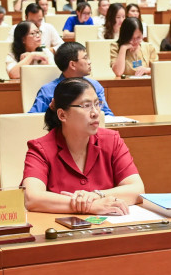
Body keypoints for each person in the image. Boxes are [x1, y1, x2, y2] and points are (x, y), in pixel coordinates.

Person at [21, 78, 144, 214]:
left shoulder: (112, 140)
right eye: (86, 106)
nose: (95, 113)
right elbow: (32, 198)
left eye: (97, 104)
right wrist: (90, 206)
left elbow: (137, 189)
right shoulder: (40, 149)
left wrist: (96, 195)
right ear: (62, 115)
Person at [29, 42, 113, 116]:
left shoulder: (95, 86)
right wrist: (51, 111)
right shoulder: (47, 91)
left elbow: (106, 114)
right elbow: (31, 119)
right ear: (72, 64)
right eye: (85, 58)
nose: (89, 62)